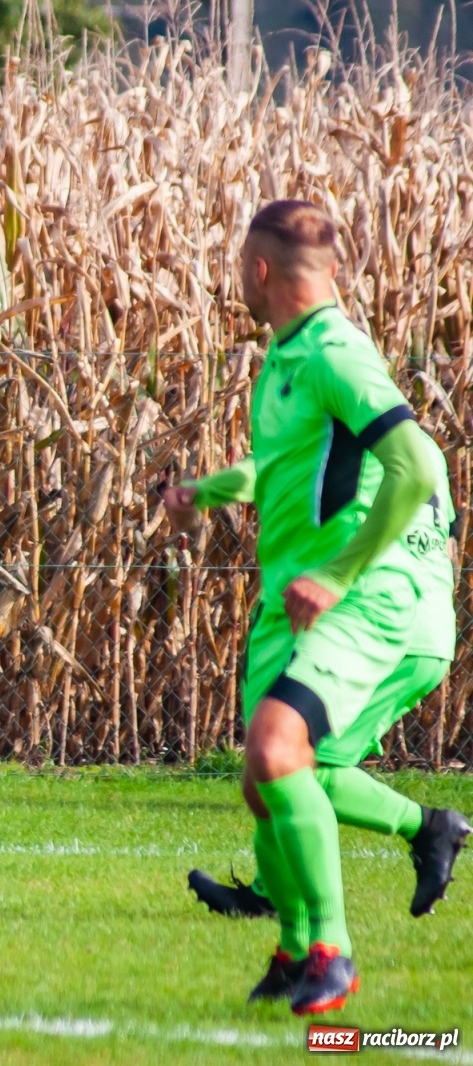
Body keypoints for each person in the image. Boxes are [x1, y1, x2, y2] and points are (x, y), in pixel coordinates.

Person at [161, 200, 468, 1015]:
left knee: (279, 748)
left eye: (238, 264)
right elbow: (281, 472)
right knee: (265, 785)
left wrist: (338, 571)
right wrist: (207, 491)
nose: (235, 277)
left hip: (355, 598)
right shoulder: (287, 358)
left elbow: (416, 461)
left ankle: (330, 950)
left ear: (259, 271)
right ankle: (296, 949)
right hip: (289, 600)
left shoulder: (335, 351)